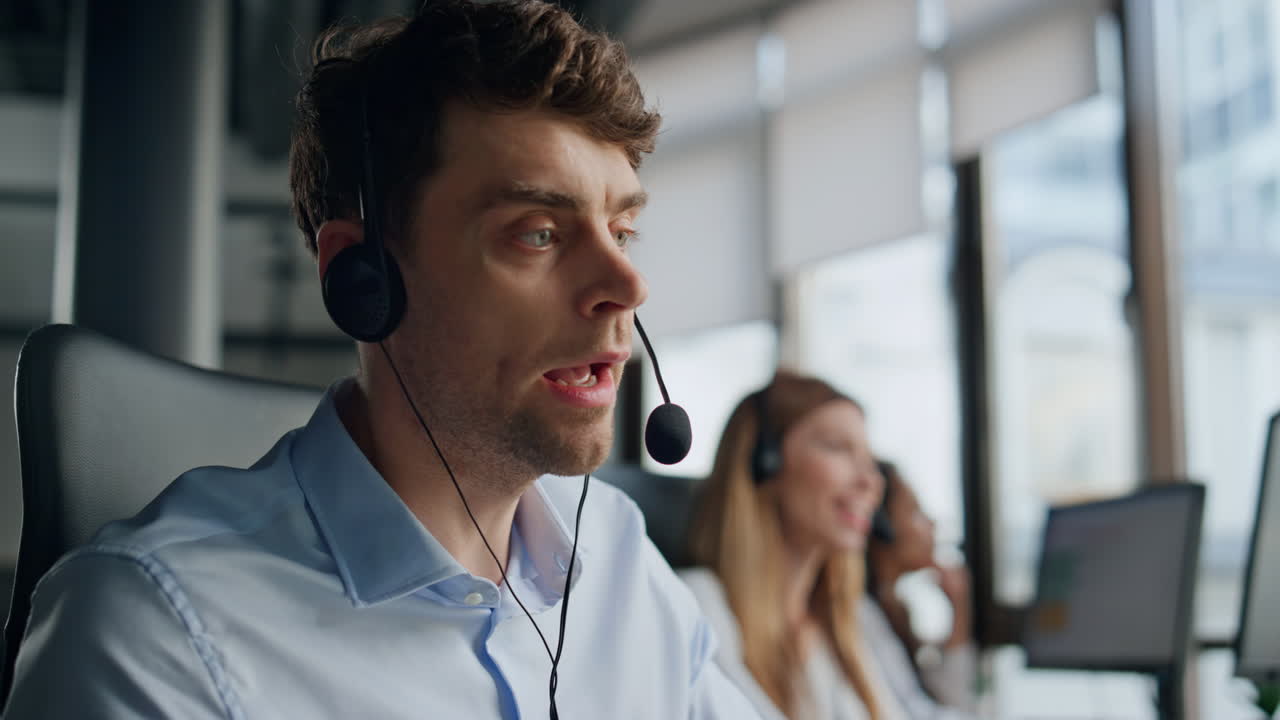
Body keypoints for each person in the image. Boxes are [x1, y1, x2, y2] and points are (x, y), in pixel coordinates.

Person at [2, 2, 762, 718]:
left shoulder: (621, 559)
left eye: (621, 231)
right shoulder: (157, 635)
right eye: (538, 232)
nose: (627, 284)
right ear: (363, 278)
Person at [680, 371, 907, 720]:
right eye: (837, 447)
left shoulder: (850, 622)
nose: (871, 481)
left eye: (870, 459)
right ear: (763, 464)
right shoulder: (698, 608)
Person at [862, 460, 979, 718]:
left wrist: (958, 609)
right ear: (882, 528)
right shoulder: (862, 619)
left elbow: (942, 703)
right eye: (915, 512)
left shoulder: (890, 611)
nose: (932, 525)